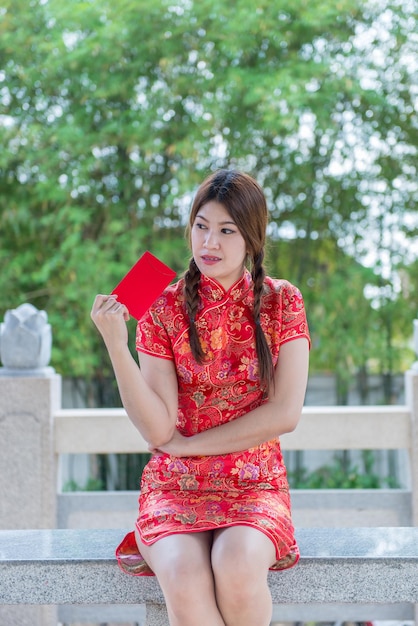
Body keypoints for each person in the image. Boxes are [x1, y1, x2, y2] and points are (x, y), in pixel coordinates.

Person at [91, 168, 310, 626]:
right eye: (201, 226)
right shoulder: (161, 306)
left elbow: (285, 413)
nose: (209, 243)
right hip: (175, 486)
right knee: (183, 573)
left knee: (237, 565)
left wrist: (189, 446)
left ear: (251, 239)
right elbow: (157, 428)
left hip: (253, 482)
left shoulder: (282, 301)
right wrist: (116, 344)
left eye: (226, 231)